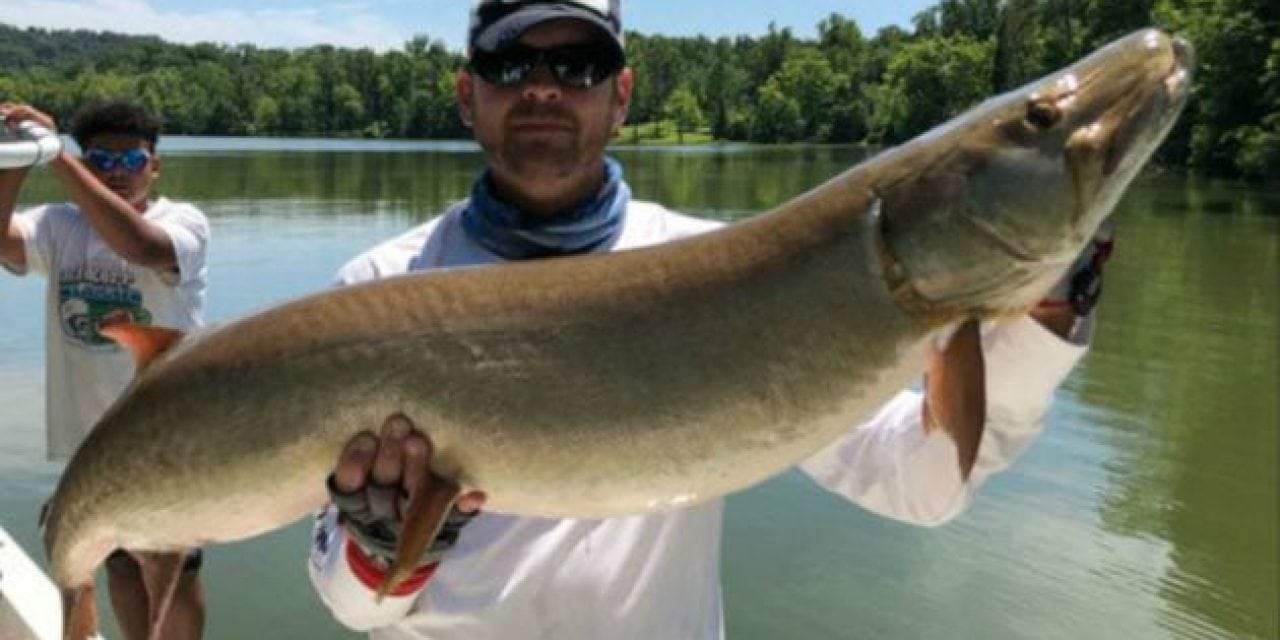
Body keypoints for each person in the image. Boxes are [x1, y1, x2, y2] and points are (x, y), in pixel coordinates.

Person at [308, 1, 1111, 638]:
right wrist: (381, 554)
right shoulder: (374, 294)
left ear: (622, 95)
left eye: (579, 63)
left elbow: (922, 482)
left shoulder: (732, 274)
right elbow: (350, 605)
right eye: (511, 62)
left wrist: (1039, 324)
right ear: (466, 93)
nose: (544, 87)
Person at [0, 99, 210, 640]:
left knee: (171, 568)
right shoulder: (60, 224)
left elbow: (141, 248)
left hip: (167, 438)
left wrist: (61, 161)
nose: (116, 170)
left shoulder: (184, 222)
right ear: (87, 161)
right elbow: (2, 240)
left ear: (154, 166)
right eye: (101, 158)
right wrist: (19, 154)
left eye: (131, 158)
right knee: (118, 561)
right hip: (89, 435)